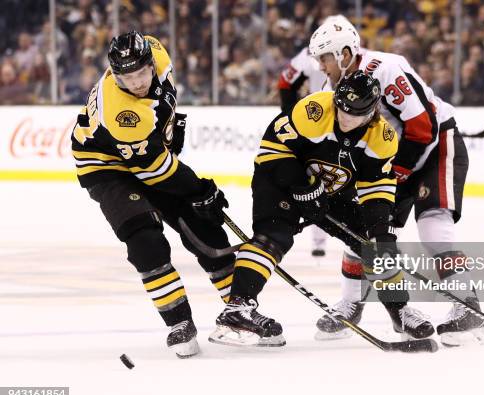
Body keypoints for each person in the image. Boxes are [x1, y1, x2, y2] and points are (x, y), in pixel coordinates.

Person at [308, 18, 484, 347]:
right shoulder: (328, 92)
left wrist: (399, 171)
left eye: (325, 57)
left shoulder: (386, 68)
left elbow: (423, 126)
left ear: (346, 53)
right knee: (364, 230)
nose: (320, 65)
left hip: (434, 147)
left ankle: (467, 304)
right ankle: (351, 303)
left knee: (433, 223)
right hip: (391, 161)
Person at [209, 70, 409, 347]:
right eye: (342, 108)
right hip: (278, 180)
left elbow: (378, 191)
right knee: (273, 237)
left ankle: (400, 310)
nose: (345, 117)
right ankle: (237, 309)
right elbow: (271, 149)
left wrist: (381, 233)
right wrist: (302, 186)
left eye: (354, 114)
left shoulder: (383, 138)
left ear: (372, 112)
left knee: (371, 242)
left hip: (327, 194)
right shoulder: (314, 109)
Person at [70, 31, 234, 358]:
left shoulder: (157, 48)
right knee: (145, 238)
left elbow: (164, 101)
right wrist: (199, 188)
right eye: (127, 78)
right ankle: (179, 323)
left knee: (204, 227)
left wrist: (168, 133)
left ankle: (240, 309)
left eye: (142, 73)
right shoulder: (122, 111)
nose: (138, 83)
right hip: (106, 166)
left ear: (150, 62)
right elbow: (155, 172)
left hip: (145, 151)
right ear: (115, 76)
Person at [276, 15, 351, 258]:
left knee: (318, 179)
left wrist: (290, 113)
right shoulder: (351, 55)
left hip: (317, 121)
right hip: (346, 121)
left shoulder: (307, 55)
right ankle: (362, 238)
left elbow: (284, 82)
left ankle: (319, 240)